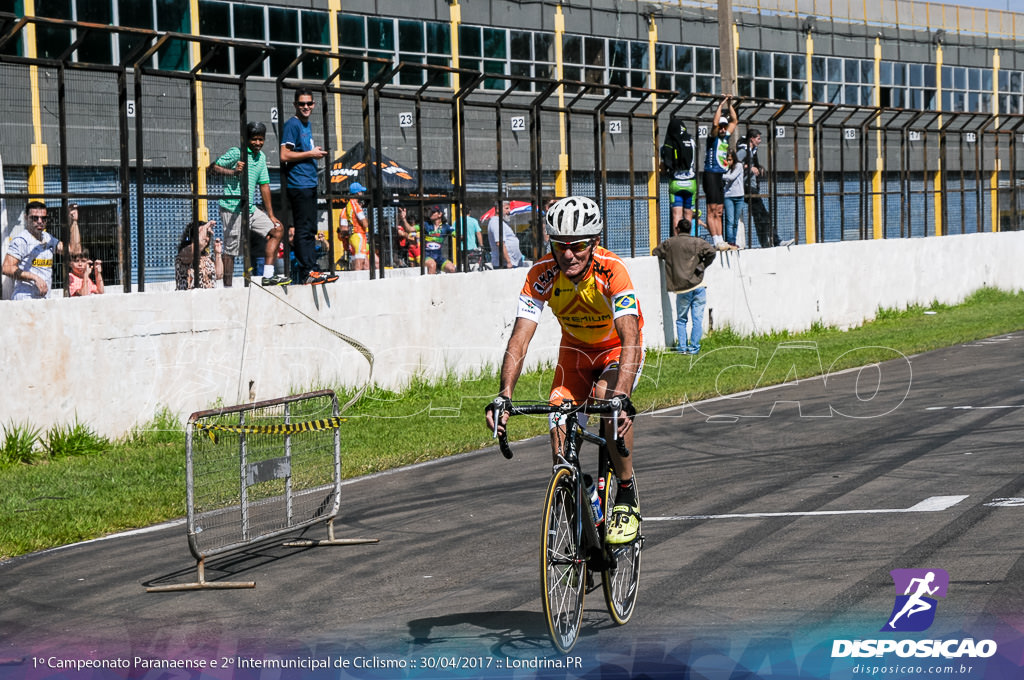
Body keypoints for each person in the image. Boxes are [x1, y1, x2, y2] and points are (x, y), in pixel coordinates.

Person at [485, 196, 643, 545]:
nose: (568, 255)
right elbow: (519, 340)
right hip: (574, 354)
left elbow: (631, 336)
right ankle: (579, 497)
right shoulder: (541, 274)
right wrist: (504, 395)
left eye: (578, 246)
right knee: (559, 423)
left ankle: (627, 494)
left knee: (607, 401)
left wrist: (623, 397)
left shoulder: (610, 270)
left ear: (594, 242)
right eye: (560, 246)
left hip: (615, 350)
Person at [213, 121, 289, 286]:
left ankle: (268, 276)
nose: (258, 143)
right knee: (231, 250)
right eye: (254, 139)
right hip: (231, 208)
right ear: (247, 139)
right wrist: (232, 171)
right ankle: (228, 287)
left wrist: (271, 215)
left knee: (277, 230)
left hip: (250, 208)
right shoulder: (236, 153)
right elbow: (214, 167)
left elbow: (264, 185)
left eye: (261, 139)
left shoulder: (261, 157)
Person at [280, 88, 336, 285]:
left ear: (313, 105)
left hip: (310, 183)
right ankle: (307, 272)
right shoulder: (292, 125)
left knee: (311, 229)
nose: (306, 107)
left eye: (309, 104)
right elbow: (284, 155)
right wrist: (311, 154)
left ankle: (314, 268)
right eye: (302, 104)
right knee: (303, 230)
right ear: (295, 105)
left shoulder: (306, 124)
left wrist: (313, 154)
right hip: (299, 184)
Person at [652, 218, 717, 354]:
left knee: (681, 320)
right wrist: (702, 266)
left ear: (678, 229)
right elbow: (712, 251)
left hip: (682, 288)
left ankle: (682, 348)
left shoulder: (670, 243)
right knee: (697, 320)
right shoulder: (698, 242)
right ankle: (694, 349)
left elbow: (655, 252)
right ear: (690, 229)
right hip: (699, 286)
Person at [3, 201, 64, 300]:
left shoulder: (48, 238)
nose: (40, 221)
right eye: (35, 218)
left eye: (43, 218)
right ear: (26, 218)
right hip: (25, 299)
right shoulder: (21, 240)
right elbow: (7, 268)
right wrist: (34, 277)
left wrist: (73, 223)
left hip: (44, 300)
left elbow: (72, 251)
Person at [702, 96, 738, 251]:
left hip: (720, 177)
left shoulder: (726, 139)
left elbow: (735, 120)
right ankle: (716, 240)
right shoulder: (713, 139)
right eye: (722, 127)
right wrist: (720, 104)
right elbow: (715, 124)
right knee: (711, 209)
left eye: (725, 127)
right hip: (710, 175)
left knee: (719, 210)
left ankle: (721, 239)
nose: (723, 129)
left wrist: (730, 104)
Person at [737, 129, 780, 248]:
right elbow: (734, 163)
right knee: (764, 215)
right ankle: (774, 240)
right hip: (746, 187)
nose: (760, 141)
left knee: (759, 216)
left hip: (752, 186)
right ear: (752, 139)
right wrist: (750, 168)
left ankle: (766, 242)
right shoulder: (744, 150)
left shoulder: (752, 151)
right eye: (758, 139)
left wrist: (758, 167)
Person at [660, 116, 698, 238]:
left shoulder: (668, 144)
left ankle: (677, 240)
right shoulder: (691, 142)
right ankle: (688, 240)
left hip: (676, 183)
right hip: (691, 183)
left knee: (676, 215)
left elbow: (663, 169)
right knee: (688, 215)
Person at [174, 220, 223, 290]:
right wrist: (205, 227)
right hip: (189, 298)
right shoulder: (184, 253)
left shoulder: (207, 257)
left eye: (207, 234)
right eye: (202, 233)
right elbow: (197, 245)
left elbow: (219, 275)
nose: (205, 237)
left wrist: (218, 254)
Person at [337, 182, 371, 271]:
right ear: (357, 193)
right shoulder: (356, 206)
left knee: (366, 265)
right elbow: (365, 224)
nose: (362, 194)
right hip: (359, 236)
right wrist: (367, 219)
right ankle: (358, 284)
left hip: (352, 238)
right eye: (361, 192)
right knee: (359, 264)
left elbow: (343, 229)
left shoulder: (346, 207)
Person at [487, 201, 523, 269]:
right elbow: (500, 243)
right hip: (505, 264)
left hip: (512, 262)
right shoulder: (496, 222)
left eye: (509, 208)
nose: (509, 211)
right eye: (506, 208)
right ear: (498, 210)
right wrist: (508, 261)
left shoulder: (502, 222)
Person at [722, 150, 745, 249]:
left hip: (739, 196)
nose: (729, 162)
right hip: (729, 196)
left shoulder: (739, 166)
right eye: (727, 160)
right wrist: (724, 168)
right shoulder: (726, 168)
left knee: (736, 221)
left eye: (730, 160)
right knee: (730, 220)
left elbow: (731, 177)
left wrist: (720, 175)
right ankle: (730, 241)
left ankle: (733, 241)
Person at [422, 205, 455, 274]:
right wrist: (403, 219)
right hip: (426, 256)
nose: (430, 213)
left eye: (433, 212)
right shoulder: (426, 225)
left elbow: (457, 234)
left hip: (438, 257)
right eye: (430, 212)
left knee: (452, 269)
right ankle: (430, 284)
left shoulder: (446, 227)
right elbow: (410, 229)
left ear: (440, 214)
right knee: (432, 265)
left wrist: (460, 235)